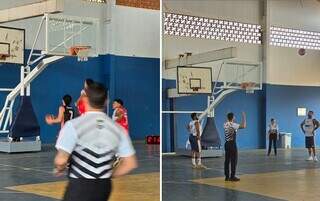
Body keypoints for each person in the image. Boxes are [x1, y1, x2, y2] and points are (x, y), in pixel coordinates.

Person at [54, 82, 138, 201]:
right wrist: (109, 175)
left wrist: (59, 168)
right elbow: (130, 164)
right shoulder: (117, 129)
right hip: (104, 186)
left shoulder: (73, 125)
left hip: (80, 186)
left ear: (85, 100)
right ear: (106, 101)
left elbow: (61, 159)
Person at [224, 112, 246, 182]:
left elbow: (231, 124)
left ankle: (227, 176)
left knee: (227, 160)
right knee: (234, 160)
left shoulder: (225, 124)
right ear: (233, 117)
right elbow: (244, 126)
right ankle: (232, 176)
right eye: (234, 117)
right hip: (232, 144)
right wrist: (244, 117)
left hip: (226, 144)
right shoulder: (233, 125)